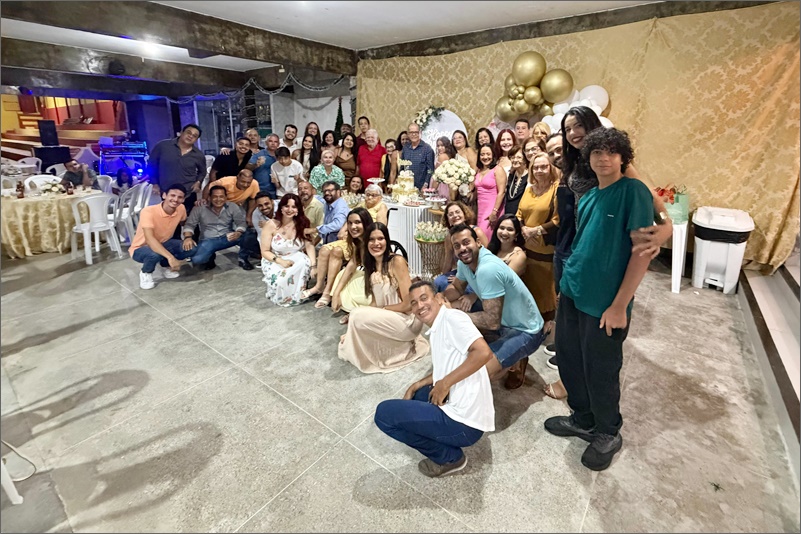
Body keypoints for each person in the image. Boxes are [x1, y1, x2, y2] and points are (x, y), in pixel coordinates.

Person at [544, 127, 653, 472]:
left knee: (601, 370)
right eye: (596, 152)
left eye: (611, 152)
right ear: (588, 158)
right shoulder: (589, 197)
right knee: (570, 360)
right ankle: (583, 418)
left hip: (605, 303)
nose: (603, 159)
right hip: (573, 294)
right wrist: (565, 286)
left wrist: (620, 305)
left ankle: (608, 431)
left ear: (623, 158)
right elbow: (582, 245)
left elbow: (642, 252)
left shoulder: (633, 192)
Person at [544, 106, 672, 371]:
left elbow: (647, 194)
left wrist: (666, 225)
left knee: (596, 318)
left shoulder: (610, 160)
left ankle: (579, 371)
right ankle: (570, 355)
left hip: (603, 242)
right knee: (569, 303)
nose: (573, 133)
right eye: (567, 129)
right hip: (573, 239)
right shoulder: (574, 159)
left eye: (578, 125)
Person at [374, 280, 495, 478]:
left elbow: (483, 353)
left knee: (384, 415)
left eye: (424, 298)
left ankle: (450, 458)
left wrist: (445, 384)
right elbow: (448, 365)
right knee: (418, 395)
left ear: (439, 298)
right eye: (414, 303)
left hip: (465, 425)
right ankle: (442, 436)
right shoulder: (439, 325)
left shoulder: (453, 318)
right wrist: (417, 384)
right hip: (463, 411)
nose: (419, 306)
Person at [443, 223, 546, 390]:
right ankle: (502, 352)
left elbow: (491, 321)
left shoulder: (488, 269)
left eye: (466, 242)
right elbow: (457, 288)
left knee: (478, 372)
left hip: (526, 329)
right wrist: (440, 299)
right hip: (503, 320)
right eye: (457, 246)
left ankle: (515, 361)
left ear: (478, 242)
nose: (462, 249)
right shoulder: (464, 263)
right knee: (450, 310)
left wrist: (451, 314)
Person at [337, 222, 430, 373]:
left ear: (387, 240)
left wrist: (382, 310)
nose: (376, 243)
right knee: (357, 315)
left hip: (406, 321)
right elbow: (375, 303)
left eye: (380, 239)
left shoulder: (396, 261)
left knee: (356, 314)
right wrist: (352, 329)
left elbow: (408, 304)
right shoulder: (371, 265)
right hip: (389, 318)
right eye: (371, 240)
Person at [516, 152, 559, 324]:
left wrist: (536, 231)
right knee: (529, 285)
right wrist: (524, 229)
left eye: (544, 167)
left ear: (550, 168)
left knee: (545, 288)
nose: (539, 170)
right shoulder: (529, 189)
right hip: (527, 245)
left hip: (545, 247)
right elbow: (519, 214)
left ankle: (547, 322)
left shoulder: (556, 189)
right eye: (536, 167)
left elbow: (558, 219)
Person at [129, 184, 197, 290]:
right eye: (172, 195)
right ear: (164, 195)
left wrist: (188, 237)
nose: (176, 199)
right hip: (141, 248)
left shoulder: (181, 208)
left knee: (191, 248)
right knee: (154, 254)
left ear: (183, 199)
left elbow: (185, 223)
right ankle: (146, 272)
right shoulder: (148, 211)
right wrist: (171, 258)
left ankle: (165, 266)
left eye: (180, 197)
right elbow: (150, 240)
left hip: (164, 243)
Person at [304, 207, 372, 310]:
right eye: (350, 223)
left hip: (376, 280)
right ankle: (324, 289)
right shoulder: (358, 243)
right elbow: (351, 267)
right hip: (366, 276)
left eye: (357, 222)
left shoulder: (372, 242)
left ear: (366, 223)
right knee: (342, 274)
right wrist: (335, 293)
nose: (353, 227)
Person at [260, 193, 317, 307]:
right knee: (280, 281)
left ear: (298, 210)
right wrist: (280, 261)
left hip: (296, 257)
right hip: (275, 258)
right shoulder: (271, 225)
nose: (290, 210)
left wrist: (313, 266)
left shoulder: (303, 223)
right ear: (281, 207)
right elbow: (265, 251)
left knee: (304, 261)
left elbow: (309, 245)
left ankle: (298, 293)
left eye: (294, 207)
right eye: (287, 206)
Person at [181, 185, 251, 271]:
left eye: (221, 196)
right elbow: (189, 225)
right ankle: (210, 256)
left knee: (248, 235)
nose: (218, 199)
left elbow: (241, 222)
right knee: (197, 260)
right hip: (208, 240)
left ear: (226, 197)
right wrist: (188, 237)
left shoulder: (232, 206)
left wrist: (238, 232)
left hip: (228, 237)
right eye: (215, 196)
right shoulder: (199, 208)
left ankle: (243, 259)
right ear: (209, 197)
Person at [434, 201, 488, 294]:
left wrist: (463, 278)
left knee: (466, 290)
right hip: (460, 272)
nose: (455, 215)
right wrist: (443, 276)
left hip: (479, 274)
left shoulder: (476, 231)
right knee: (439, 282)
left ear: (464, 215)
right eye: (451, 214)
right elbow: (448, 261)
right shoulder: (449, 238)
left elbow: (487, 258)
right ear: (448, 220)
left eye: (457, 212)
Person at [147, 124, 206, 208]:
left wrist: (198, 182)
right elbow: (151, 165)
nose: (190, 136)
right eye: (188, 133)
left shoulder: (198, 155)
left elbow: (202, 172)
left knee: (185, 215)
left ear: (196, 139)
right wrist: (154, 183)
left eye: (194, 136)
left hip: (188, 193)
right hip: (165, 191)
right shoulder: (163, 146)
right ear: (181, 132)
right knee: (166, 214)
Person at [474, 144, 507, 237]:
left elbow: (502, 192)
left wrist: (494, 212)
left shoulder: (498, 169)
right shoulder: (479, 170)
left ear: (493, 155)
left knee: (485, 235)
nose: (485, 157)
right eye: (482, 154)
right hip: (481, 209)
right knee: (480, 235)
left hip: (493, 208)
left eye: (488, 154)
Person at [401, 123, 435, 189]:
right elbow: (402, 167)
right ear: (408, 134)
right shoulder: (405, 148)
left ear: (420, 132)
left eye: (416, 132)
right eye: (411, 132)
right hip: (406, 187)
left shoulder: (427, 149)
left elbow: (430, 170)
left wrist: (425, 185)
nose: (413, 134)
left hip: (421, 188)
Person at [502, 145, 528, 217]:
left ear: (525, 159)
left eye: (519, 157)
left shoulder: (530, 176)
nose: (515, 160)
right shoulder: (510, 174)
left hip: (522, 216)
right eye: (513, 157)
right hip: (508, 214)